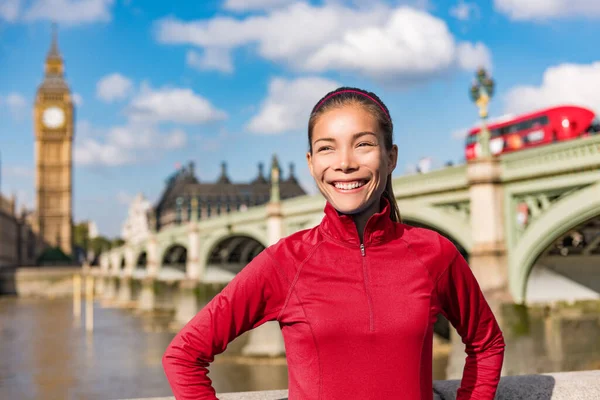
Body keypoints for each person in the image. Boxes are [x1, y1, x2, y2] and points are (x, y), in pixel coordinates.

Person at [162, 87, 505, 399]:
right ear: (311, 164)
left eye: (363, 144)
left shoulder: (435, 254)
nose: (344, 163)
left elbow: (486, 343)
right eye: (327, 148)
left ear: (391, 157)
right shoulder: (284, 262)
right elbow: (184, 356)